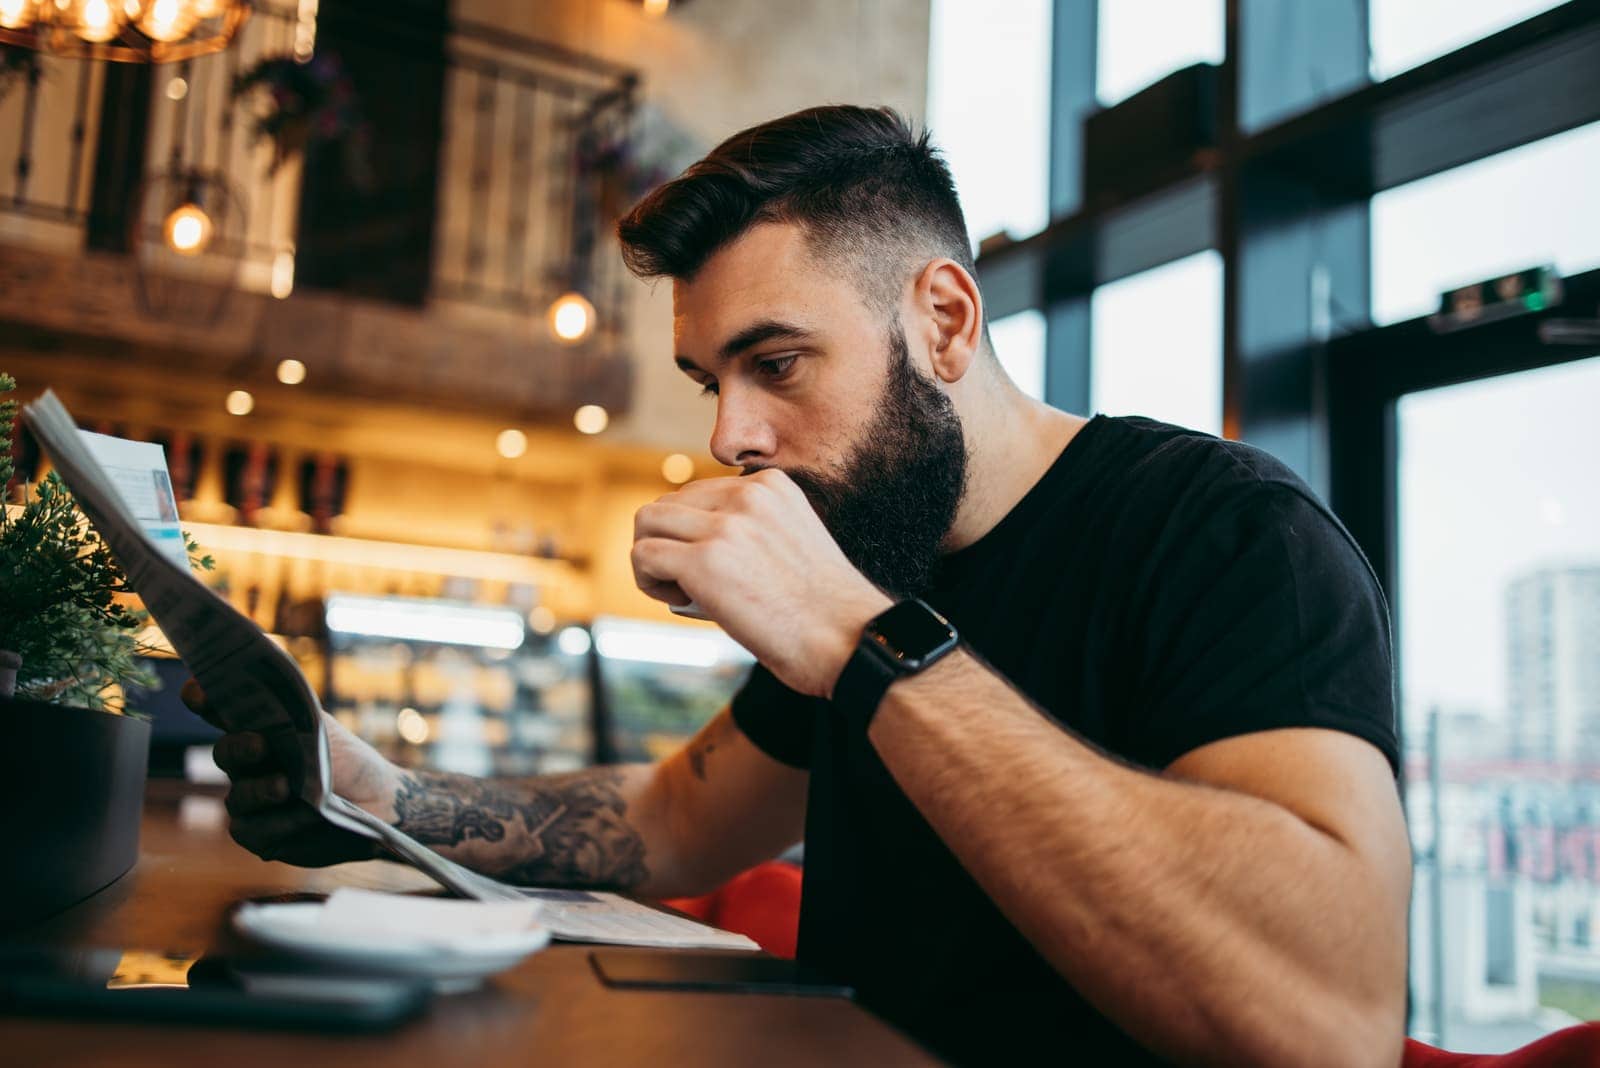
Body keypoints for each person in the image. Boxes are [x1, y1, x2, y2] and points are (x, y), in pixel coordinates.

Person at [188, 105, 1411, 1066]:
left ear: (942, 320)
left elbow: (1326, 1027)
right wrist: (388, 796)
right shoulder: (883, 546)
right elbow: (669, 821)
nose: (731, 435)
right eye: (709, 379)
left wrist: (860, 641)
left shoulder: (1228, 536)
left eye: (777, 362)